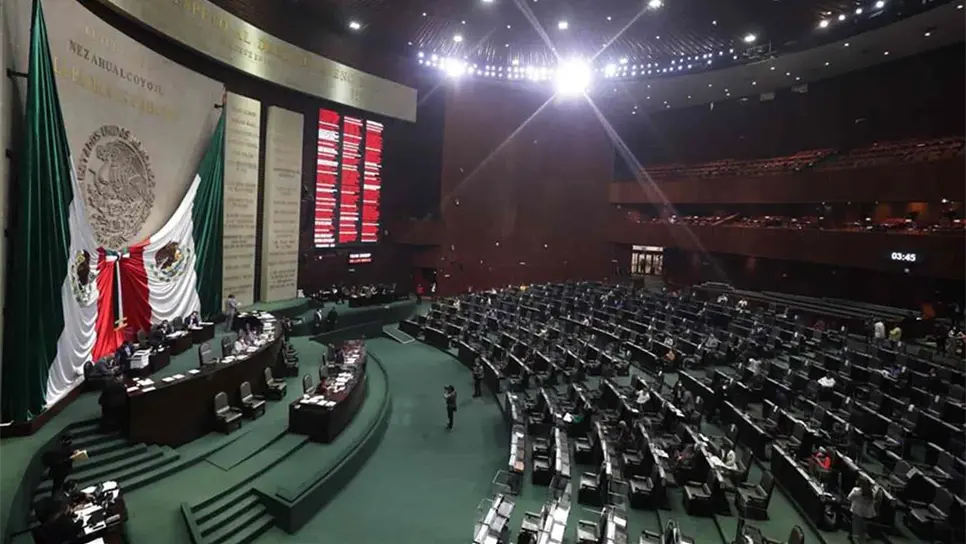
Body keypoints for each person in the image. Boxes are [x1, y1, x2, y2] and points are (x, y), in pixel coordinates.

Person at [848, 477, 878, 544]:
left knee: (857, 532)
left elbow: (849, 498)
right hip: (867, 514)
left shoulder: (856, 491)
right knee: (863, 527)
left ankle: (855, 535)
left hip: (857, 512)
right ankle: (864, 534)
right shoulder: (872, 493)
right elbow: (872, 503)